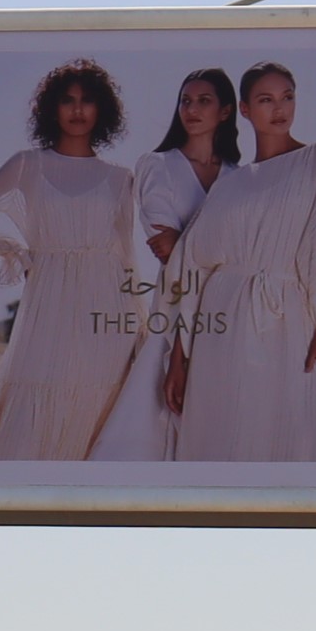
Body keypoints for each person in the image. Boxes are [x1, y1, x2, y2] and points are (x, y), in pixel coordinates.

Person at [0, 62, 137, 461]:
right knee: (39, 390)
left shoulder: (120, 178)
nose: (77, 110)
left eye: (87, 100)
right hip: (50, 304)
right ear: (50, 109)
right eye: (67, 100)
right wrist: (10, 250)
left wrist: (137, 324)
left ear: (102, 109)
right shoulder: (27, 165)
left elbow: (127, 260)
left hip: (108, 308)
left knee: (100, 397)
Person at [163, 61, 316, 463]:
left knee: (301, 428)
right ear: (243, 110)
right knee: (223, 432)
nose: (280, 108)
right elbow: (192, 269)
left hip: (286, 319)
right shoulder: (230, 183)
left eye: (287, 97)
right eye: (266, 99)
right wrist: (178, 359)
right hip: (219, 328)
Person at [90, 68, 238, 463]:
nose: (191, 109)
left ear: (225, 112)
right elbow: (165, 247)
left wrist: (196, 246)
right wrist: (219, 254)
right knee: (154, 416)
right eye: (185, 101)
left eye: (203, 101)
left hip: (229, 308)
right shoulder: (157, 165)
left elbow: (235, 253)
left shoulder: (241, 178)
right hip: (174, 304)